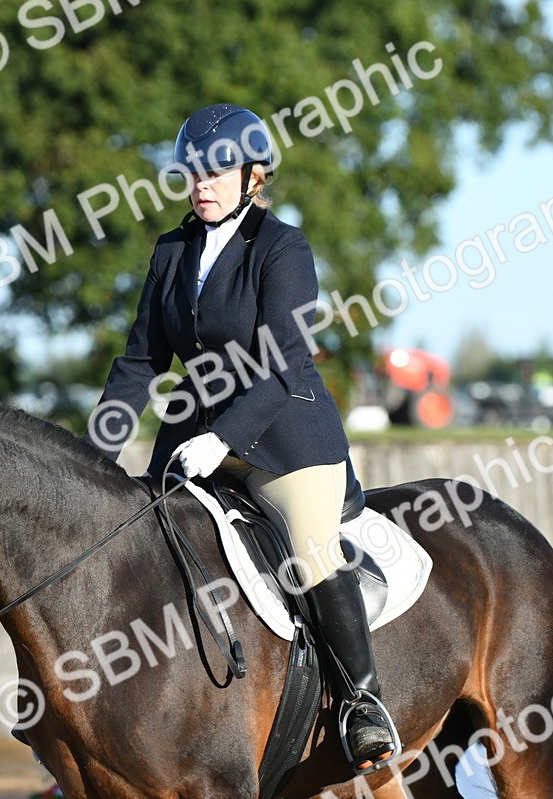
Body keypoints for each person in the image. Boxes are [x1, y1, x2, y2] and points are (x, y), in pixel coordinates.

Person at [86, 103, 399, 773]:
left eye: (217, 171)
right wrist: (97, 452)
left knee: (312, 552)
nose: (201, 184)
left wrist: (222, 436)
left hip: (286, 441)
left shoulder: (283, 247)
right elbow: (141, 363)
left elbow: (285, 360)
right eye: (192, 173)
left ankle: (363, 702)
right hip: (192, 439)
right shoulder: (171, 251)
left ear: (254, 175)